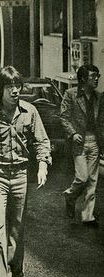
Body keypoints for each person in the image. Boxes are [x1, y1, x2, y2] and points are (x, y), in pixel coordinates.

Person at [0, 66, 51, 277]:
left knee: (17, 228)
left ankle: (15, 271)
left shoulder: (29, 112)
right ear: (1, 90)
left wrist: (42, 165)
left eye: (17, 86)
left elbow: (42, 141)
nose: (15, 91)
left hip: (20, 175)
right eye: (10, 87)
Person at [60, 64, 104, 226]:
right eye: (93, 76)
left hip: (95, 142)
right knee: (82, 177)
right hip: (79, 142)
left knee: (92, 181)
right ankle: (70, 196)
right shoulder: (70, 95)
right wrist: (73, 133)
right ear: (83, 79)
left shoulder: (99, 97)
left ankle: (88, 216)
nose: (97, 79)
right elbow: (64, 117)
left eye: (97, 75)